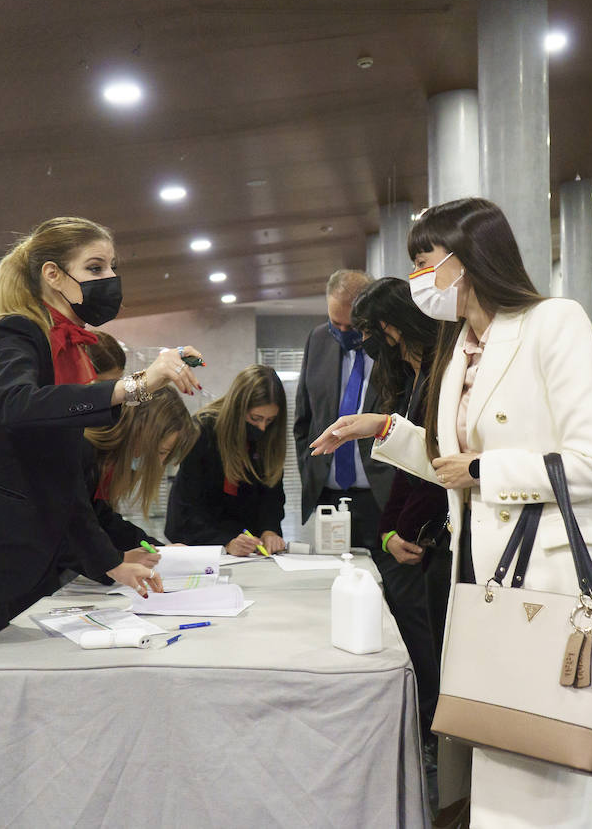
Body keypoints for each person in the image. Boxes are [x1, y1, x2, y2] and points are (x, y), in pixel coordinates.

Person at [311, 197, 592, 829]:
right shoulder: (459, 346)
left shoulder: (552, 322)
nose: (417, 279)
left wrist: (487, 470)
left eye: (424, 261)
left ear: (468, 258)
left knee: (546, 763)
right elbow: (450, 466)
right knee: (493, 755)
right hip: (476, 572)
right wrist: (385, 428)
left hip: (544, 575)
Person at [0, 217, 203, 829]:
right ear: (53, 275)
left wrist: (111, 563)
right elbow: (16, 405)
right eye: (95, 268)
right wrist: (137, 384)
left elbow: (61, 488)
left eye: (113, 267)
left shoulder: (74, 357)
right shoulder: (18, 333)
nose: (110, 279)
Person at [349, 277, 450, 752]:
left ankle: (439, 734)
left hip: (442, 533)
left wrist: (399, 530)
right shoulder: (410, 376)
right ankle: (431, 731)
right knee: (420, 635)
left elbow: (435, 466)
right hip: (415, 529)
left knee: (436, 644)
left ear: (394, 326)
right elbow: (404, 467)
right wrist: (389, 531)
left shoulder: (441, 372)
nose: (369, 341)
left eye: (372, 330)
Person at [293, 269, 395, 553]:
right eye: (335, 323)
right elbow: (304, 419)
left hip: (382, 497)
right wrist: (310, 468)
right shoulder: (318, 340)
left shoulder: (392, 347)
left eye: (351, 325)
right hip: (328, 497)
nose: (342, 332)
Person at [165, 364, 288, 556]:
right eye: (255, 418)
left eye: (270, 420)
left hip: (249, 549)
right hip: (201, 543)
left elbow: (271, 494)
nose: (262, 427)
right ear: (239, 408)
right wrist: (225, 542)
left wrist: (269, 530)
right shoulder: (202, 431)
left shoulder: (269, 437)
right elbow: (188, 507)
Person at [80, 387, 200, 564]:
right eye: (161, 452)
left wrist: (158, 550)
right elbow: (70, 533)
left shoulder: (106, 464)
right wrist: (116, 563)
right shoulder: (83, 456)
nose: (160, 463)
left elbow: (104, 521)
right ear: (139, 432)